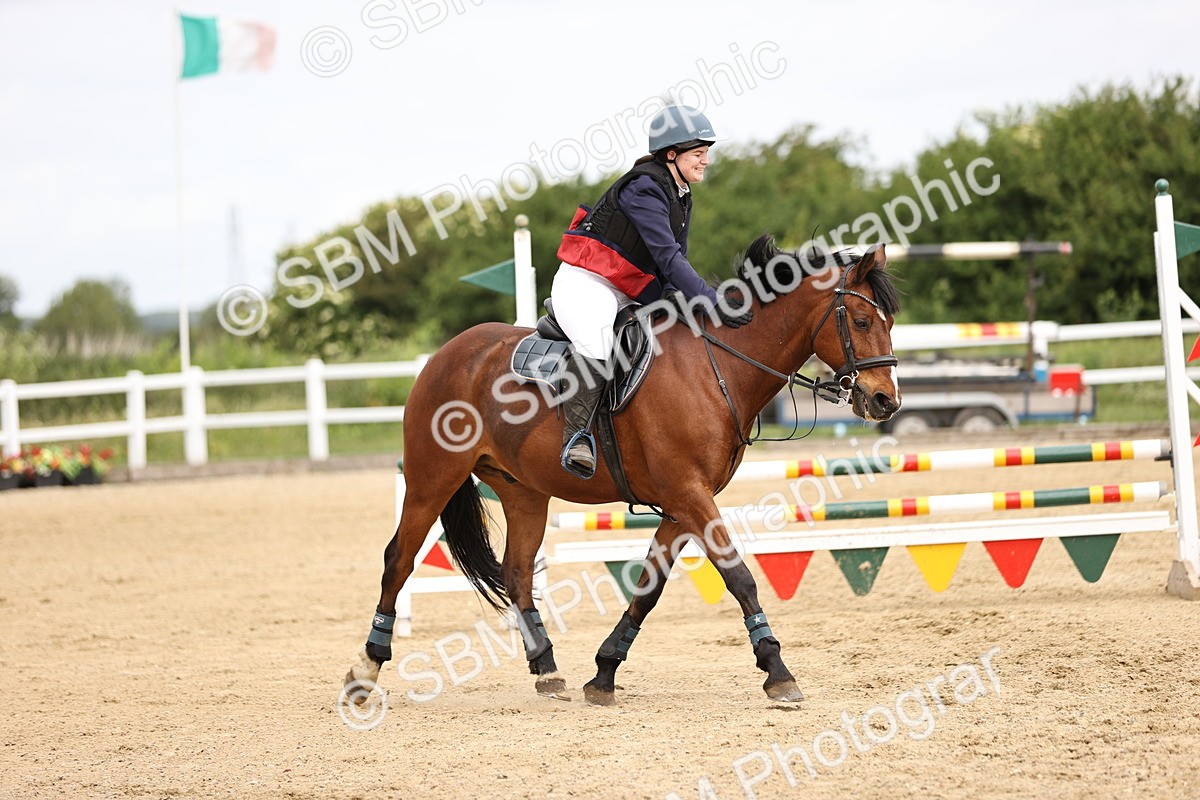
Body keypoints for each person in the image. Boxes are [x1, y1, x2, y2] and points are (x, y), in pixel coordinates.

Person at [550, 105, 753, 477]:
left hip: (629, 288)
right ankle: (576, 437)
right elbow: (668, 257)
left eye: (706, 152)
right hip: (587, 283)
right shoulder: (643, 188)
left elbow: (677, 259)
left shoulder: (681, 192)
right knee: (598, 344)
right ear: (671, 154)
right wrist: (712, 300)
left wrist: (685, 297)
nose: (706, 161)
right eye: (698, 153)